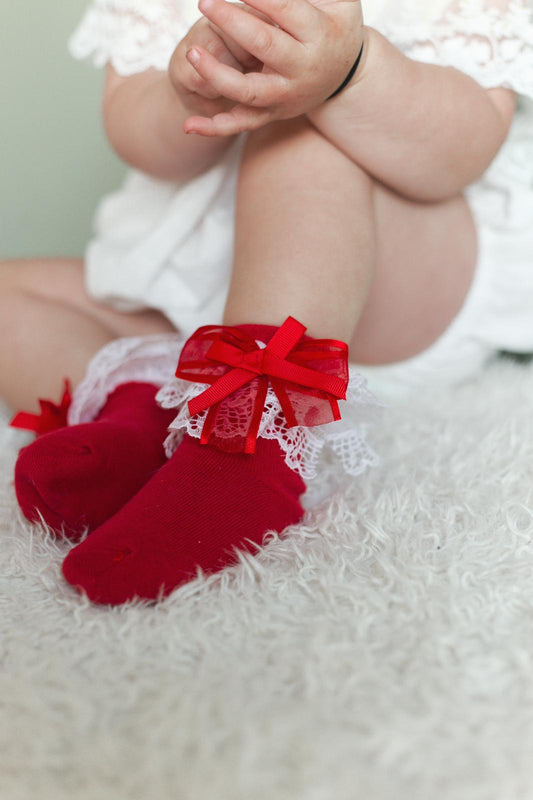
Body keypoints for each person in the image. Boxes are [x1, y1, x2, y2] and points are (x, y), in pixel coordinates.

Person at [2, 0, 533, 604]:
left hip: (391, 280)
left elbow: (457, 154)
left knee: (300, 115)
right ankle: (144, 418)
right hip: (205, 286)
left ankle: (247, 447)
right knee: (9, 299)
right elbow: (134, 134)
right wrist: (190, 92)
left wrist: (349, 73)